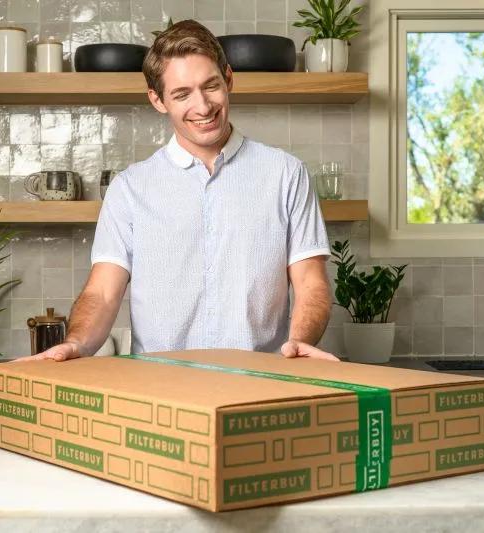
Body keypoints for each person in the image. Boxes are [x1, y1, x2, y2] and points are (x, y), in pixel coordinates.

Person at [20, 20, 338, 363]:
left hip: (260, 384)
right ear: (158, 100)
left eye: (211, 86)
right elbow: (103, 292)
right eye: (182, 94)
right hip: (159, 389)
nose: (203, 107)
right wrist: (77, 343)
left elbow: (311, 284)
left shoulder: (286, 174)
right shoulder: (130, 189)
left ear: (228, 78)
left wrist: (300, 343)